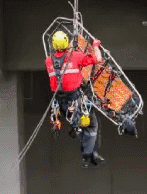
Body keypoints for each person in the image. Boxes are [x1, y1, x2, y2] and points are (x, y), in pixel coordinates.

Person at [45, 29, 105, 168]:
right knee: (91, 125)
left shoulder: (48, 61)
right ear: (67, 42)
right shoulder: (76, 56)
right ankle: (88, 155)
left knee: (78, 124)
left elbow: (61, 72)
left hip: (61, 103)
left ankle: (87, 151)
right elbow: (98, 59)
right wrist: (95, 45)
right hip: (75, 99)